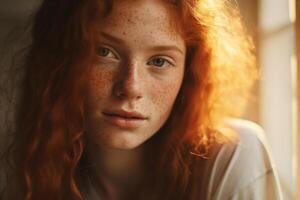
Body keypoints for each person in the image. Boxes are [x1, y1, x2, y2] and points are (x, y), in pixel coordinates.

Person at [0, 0, 283, 199]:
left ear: (189, 73)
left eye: (159, 61)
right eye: (104, 52)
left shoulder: (232, 156)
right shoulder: (32, 173)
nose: (131, 87)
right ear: (60, 61)